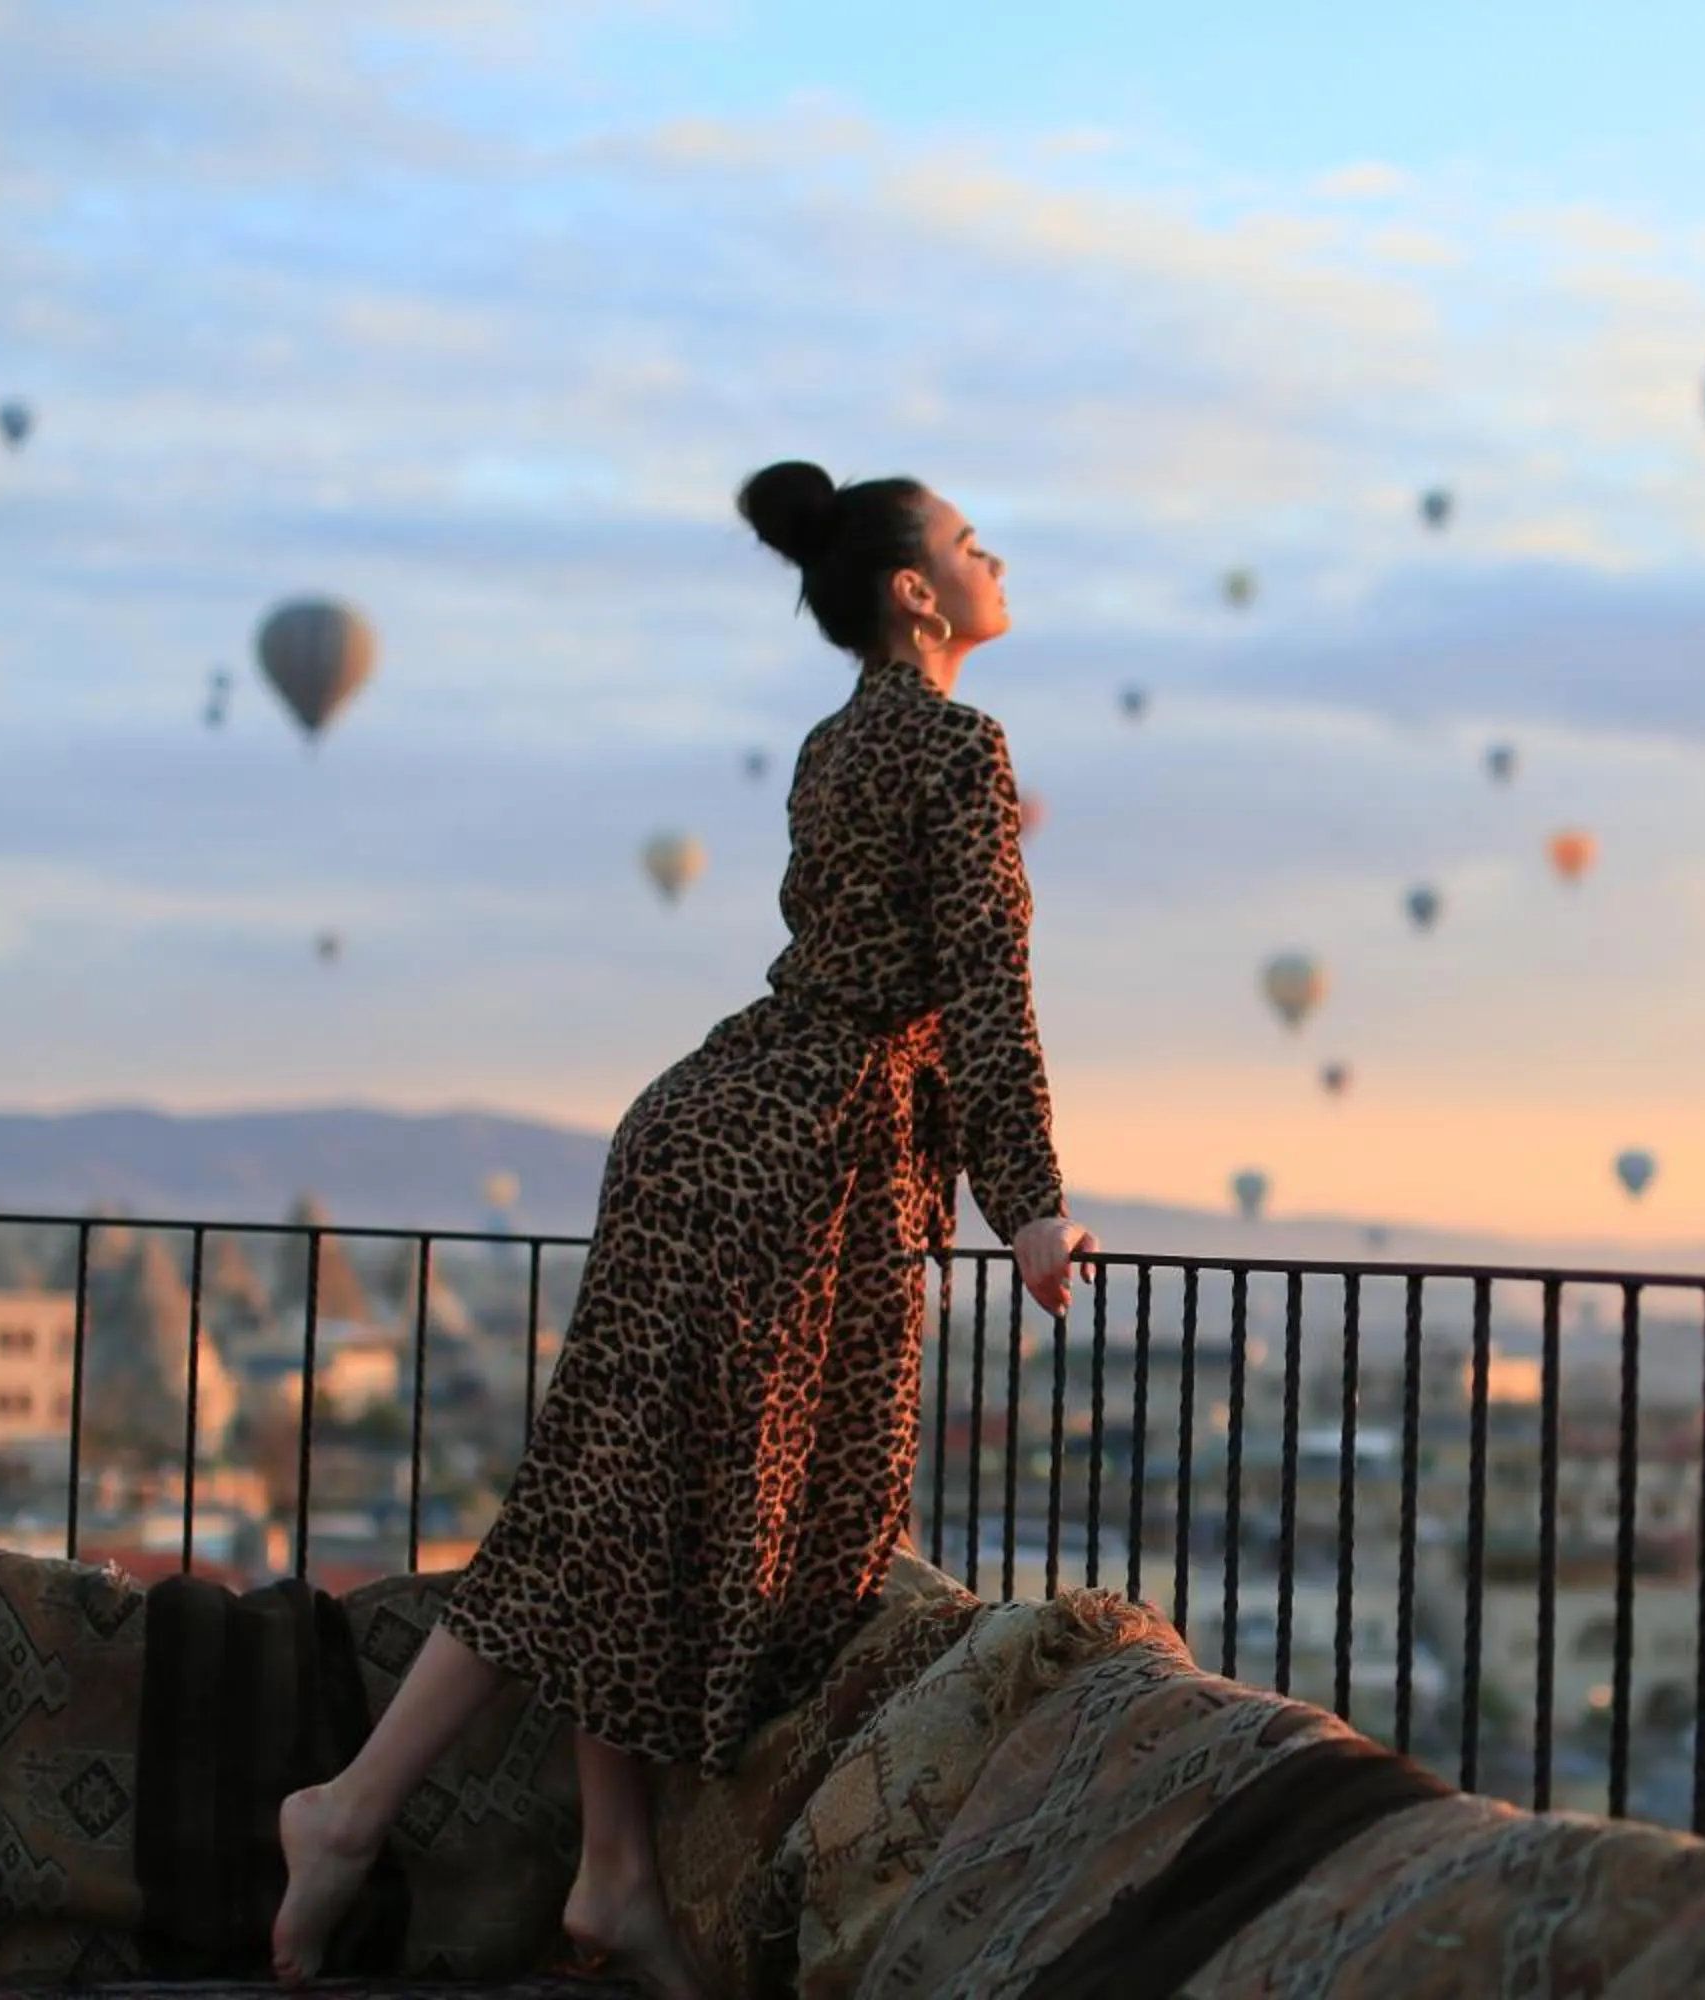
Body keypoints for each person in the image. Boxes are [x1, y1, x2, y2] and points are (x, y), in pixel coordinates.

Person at [271, 463, 1099, 1999]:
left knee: (628, 1499)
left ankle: (562, 1862)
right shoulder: (962, 746)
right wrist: (1032, 1207)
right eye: (970, 543)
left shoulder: (835, 741)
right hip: (800, 1155)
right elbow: (983, 986)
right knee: (660, 1509)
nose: (996, 556)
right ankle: (412, 1825)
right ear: (918, 592)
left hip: (711, 1120)